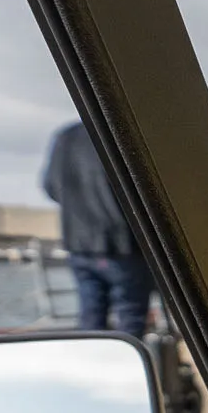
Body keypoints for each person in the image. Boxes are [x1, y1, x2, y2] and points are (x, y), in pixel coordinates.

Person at [40, 121, 152, 337]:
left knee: (90, 320)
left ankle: (92, 366)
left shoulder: (66, 137)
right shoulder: (123, 131)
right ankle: (130, 367)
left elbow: (50, 187)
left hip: (79, 245)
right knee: (130, 320)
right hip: (123, 246)